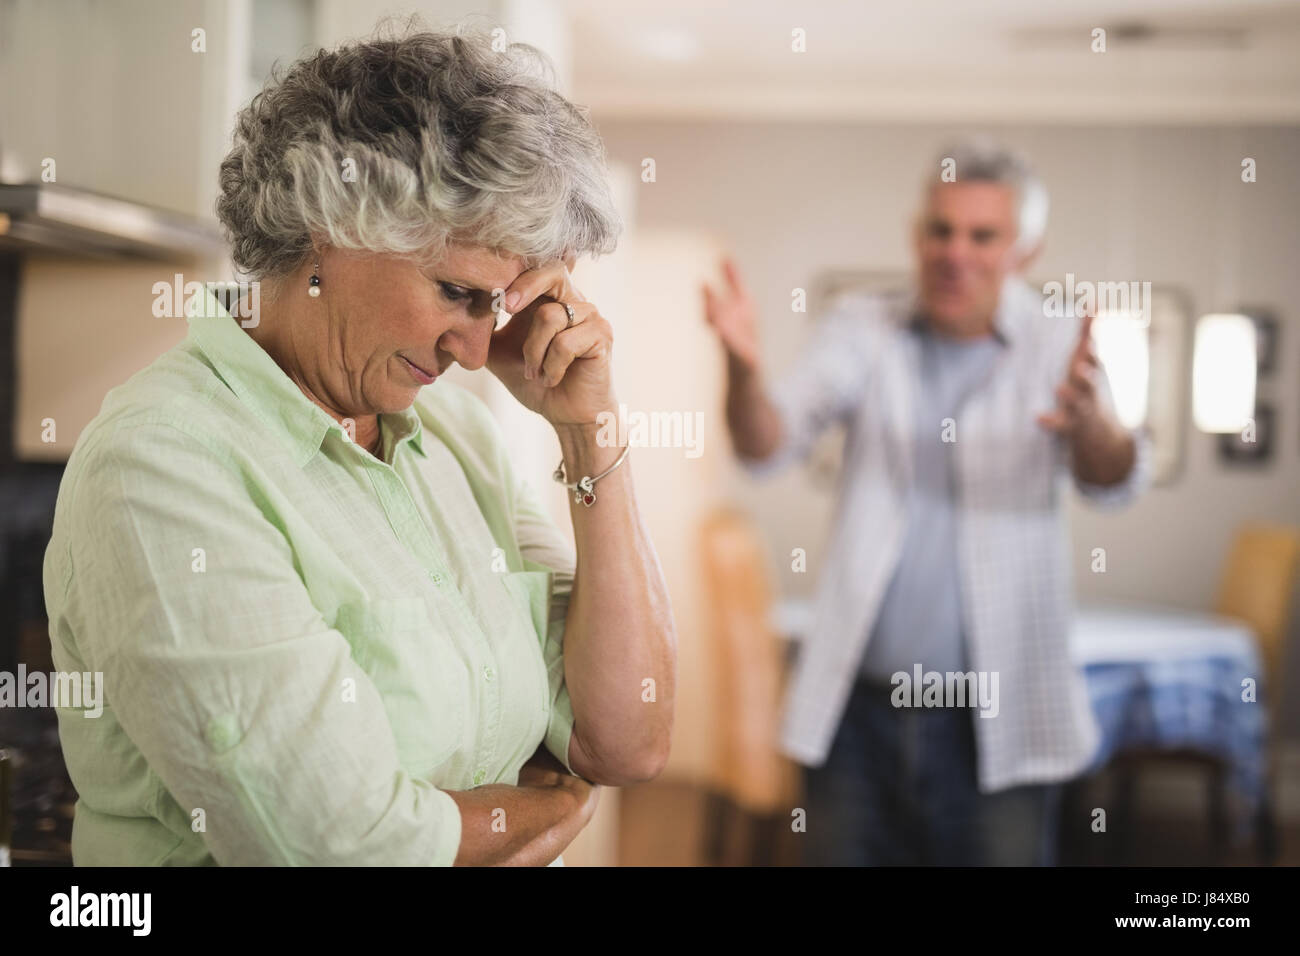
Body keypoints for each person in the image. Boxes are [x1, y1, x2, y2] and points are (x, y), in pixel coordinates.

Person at [43, 26, 675, 866]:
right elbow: (341, 848)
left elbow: (625, 739)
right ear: (330, 223)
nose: (478, 351)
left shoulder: (460, 443)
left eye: (497, 305)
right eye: (457, 293)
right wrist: (538, 814)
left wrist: (586, 431)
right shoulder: (161, 465)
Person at [702, 138, 1150, 865]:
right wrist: (742, 369)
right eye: (941, 230)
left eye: (983, 235)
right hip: (859, 716)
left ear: (1025, 250)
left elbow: (1116, 479)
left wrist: (1094, 423)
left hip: (1000, 722)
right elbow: (764, 445)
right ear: (918, 236)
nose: (956, 252)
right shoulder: (860, 328)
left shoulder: (1059, 342)